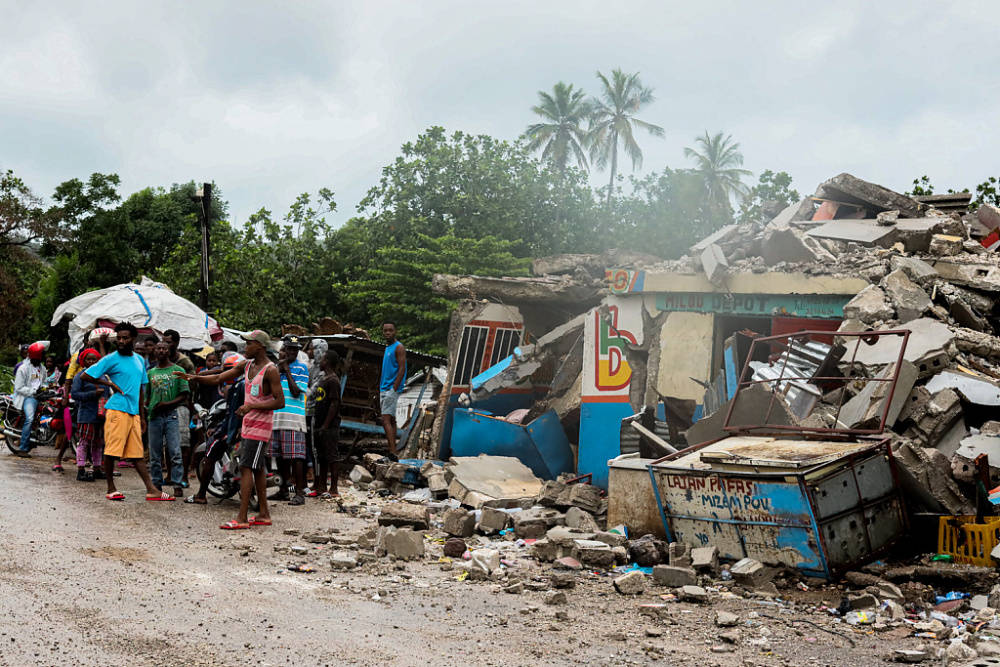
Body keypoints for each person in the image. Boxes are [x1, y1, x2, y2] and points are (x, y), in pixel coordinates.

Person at [176, 330, 284, 529]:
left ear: (260, 346)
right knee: (257, 469)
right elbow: (219, 377)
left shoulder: (270, 370)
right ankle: (263, 514)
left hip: (260, 427)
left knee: (245, 469)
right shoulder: (247, 365)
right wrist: (193, 377)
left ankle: (242, 518)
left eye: (249, 344)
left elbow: (279, 401)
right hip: (249, 425)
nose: (246, 348)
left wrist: (252, 406)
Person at [79, 321, 174, 502]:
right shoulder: (110, 359)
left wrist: (142, 416)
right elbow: (85, 375)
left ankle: (152, 490)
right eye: (119, 338)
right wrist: (109, 383)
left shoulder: (139, 360)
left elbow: (139, 389)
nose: (121, 341)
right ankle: (111, 488)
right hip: (117, 410)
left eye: (125, 338)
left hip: (134, 413)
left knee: (136, 454)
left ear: (133, 339)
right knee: (112, 451)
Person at [268, 335, 309, 505]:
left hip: (293, 419)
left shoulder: (302, 368)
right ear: (283, 350)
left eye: (294, 349)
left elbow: (295, 391)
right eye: (288, 349)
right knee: (279, 457)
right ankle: (283, 490)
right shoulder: (274, 369)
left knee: (296, 457)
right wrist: (280, 370)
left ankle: (299, 493)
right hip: (276, 417)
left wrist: (287, 371)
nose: (290, 352)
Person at [147, 341, 189, 497]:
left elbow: (184, 395)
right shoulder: (151, 372)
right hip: (154, 416)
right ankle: (156, 484)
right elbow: (147, 396)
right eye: (158, 348)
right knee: (155, 453)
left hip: (172, 415)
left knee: (175, 451)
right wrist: (147, 411)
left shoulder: (178, 370)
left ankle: (177, 484)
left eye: (164, 348)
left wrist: (166, 404)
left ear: (170, 350)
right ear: (154, 351)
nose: (161, 351)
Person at [312, 349, 342, 498]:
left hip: (330, 426)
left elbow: (334, 404)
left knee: (332, 456)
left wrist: (325, 425)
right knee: (322, 456)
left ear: (328, 362)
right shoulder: (324, 379)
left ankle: (334, 488)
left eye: (323, 359)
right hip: (320, 424)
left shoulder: (333, 380)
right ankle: (321, 486)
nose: (320, 362)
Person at [71, 348, 105, 481]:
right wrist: (92, 394)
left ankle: (97, 469)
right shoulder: (80, 376)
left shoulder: (102, 376)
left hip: (100, 415)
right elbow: (75, 394)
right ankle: (81, 470)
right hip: (86, 414)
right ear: (83, 361)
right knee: (84, 442)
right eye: (88, 359)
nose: (91, 361)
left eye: (94, 359)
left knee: (98, 442)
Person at [12, 342, 46, 457]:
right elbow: (19, 387)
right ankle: (22, 448)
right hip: (28, 397)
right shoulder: (23, 368)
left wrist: (47, 388)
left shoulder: (42, 368)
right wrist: (34, 391)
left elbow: (44, 382)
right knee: (30, 419)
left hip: (40, 396)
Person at [379, 322, 406, 454]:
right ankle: (393, 450)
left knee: (385, 420)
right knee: (392, 420)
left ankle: (393, 452)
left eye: (390, 330)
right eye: (385, 331)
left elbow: (402, 368)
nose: (388, 333)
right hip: (384, 388)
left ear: (395, 331)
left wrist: (394, 388)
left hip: (391, 389)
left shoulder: (399, 347)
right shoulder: (387, 348)